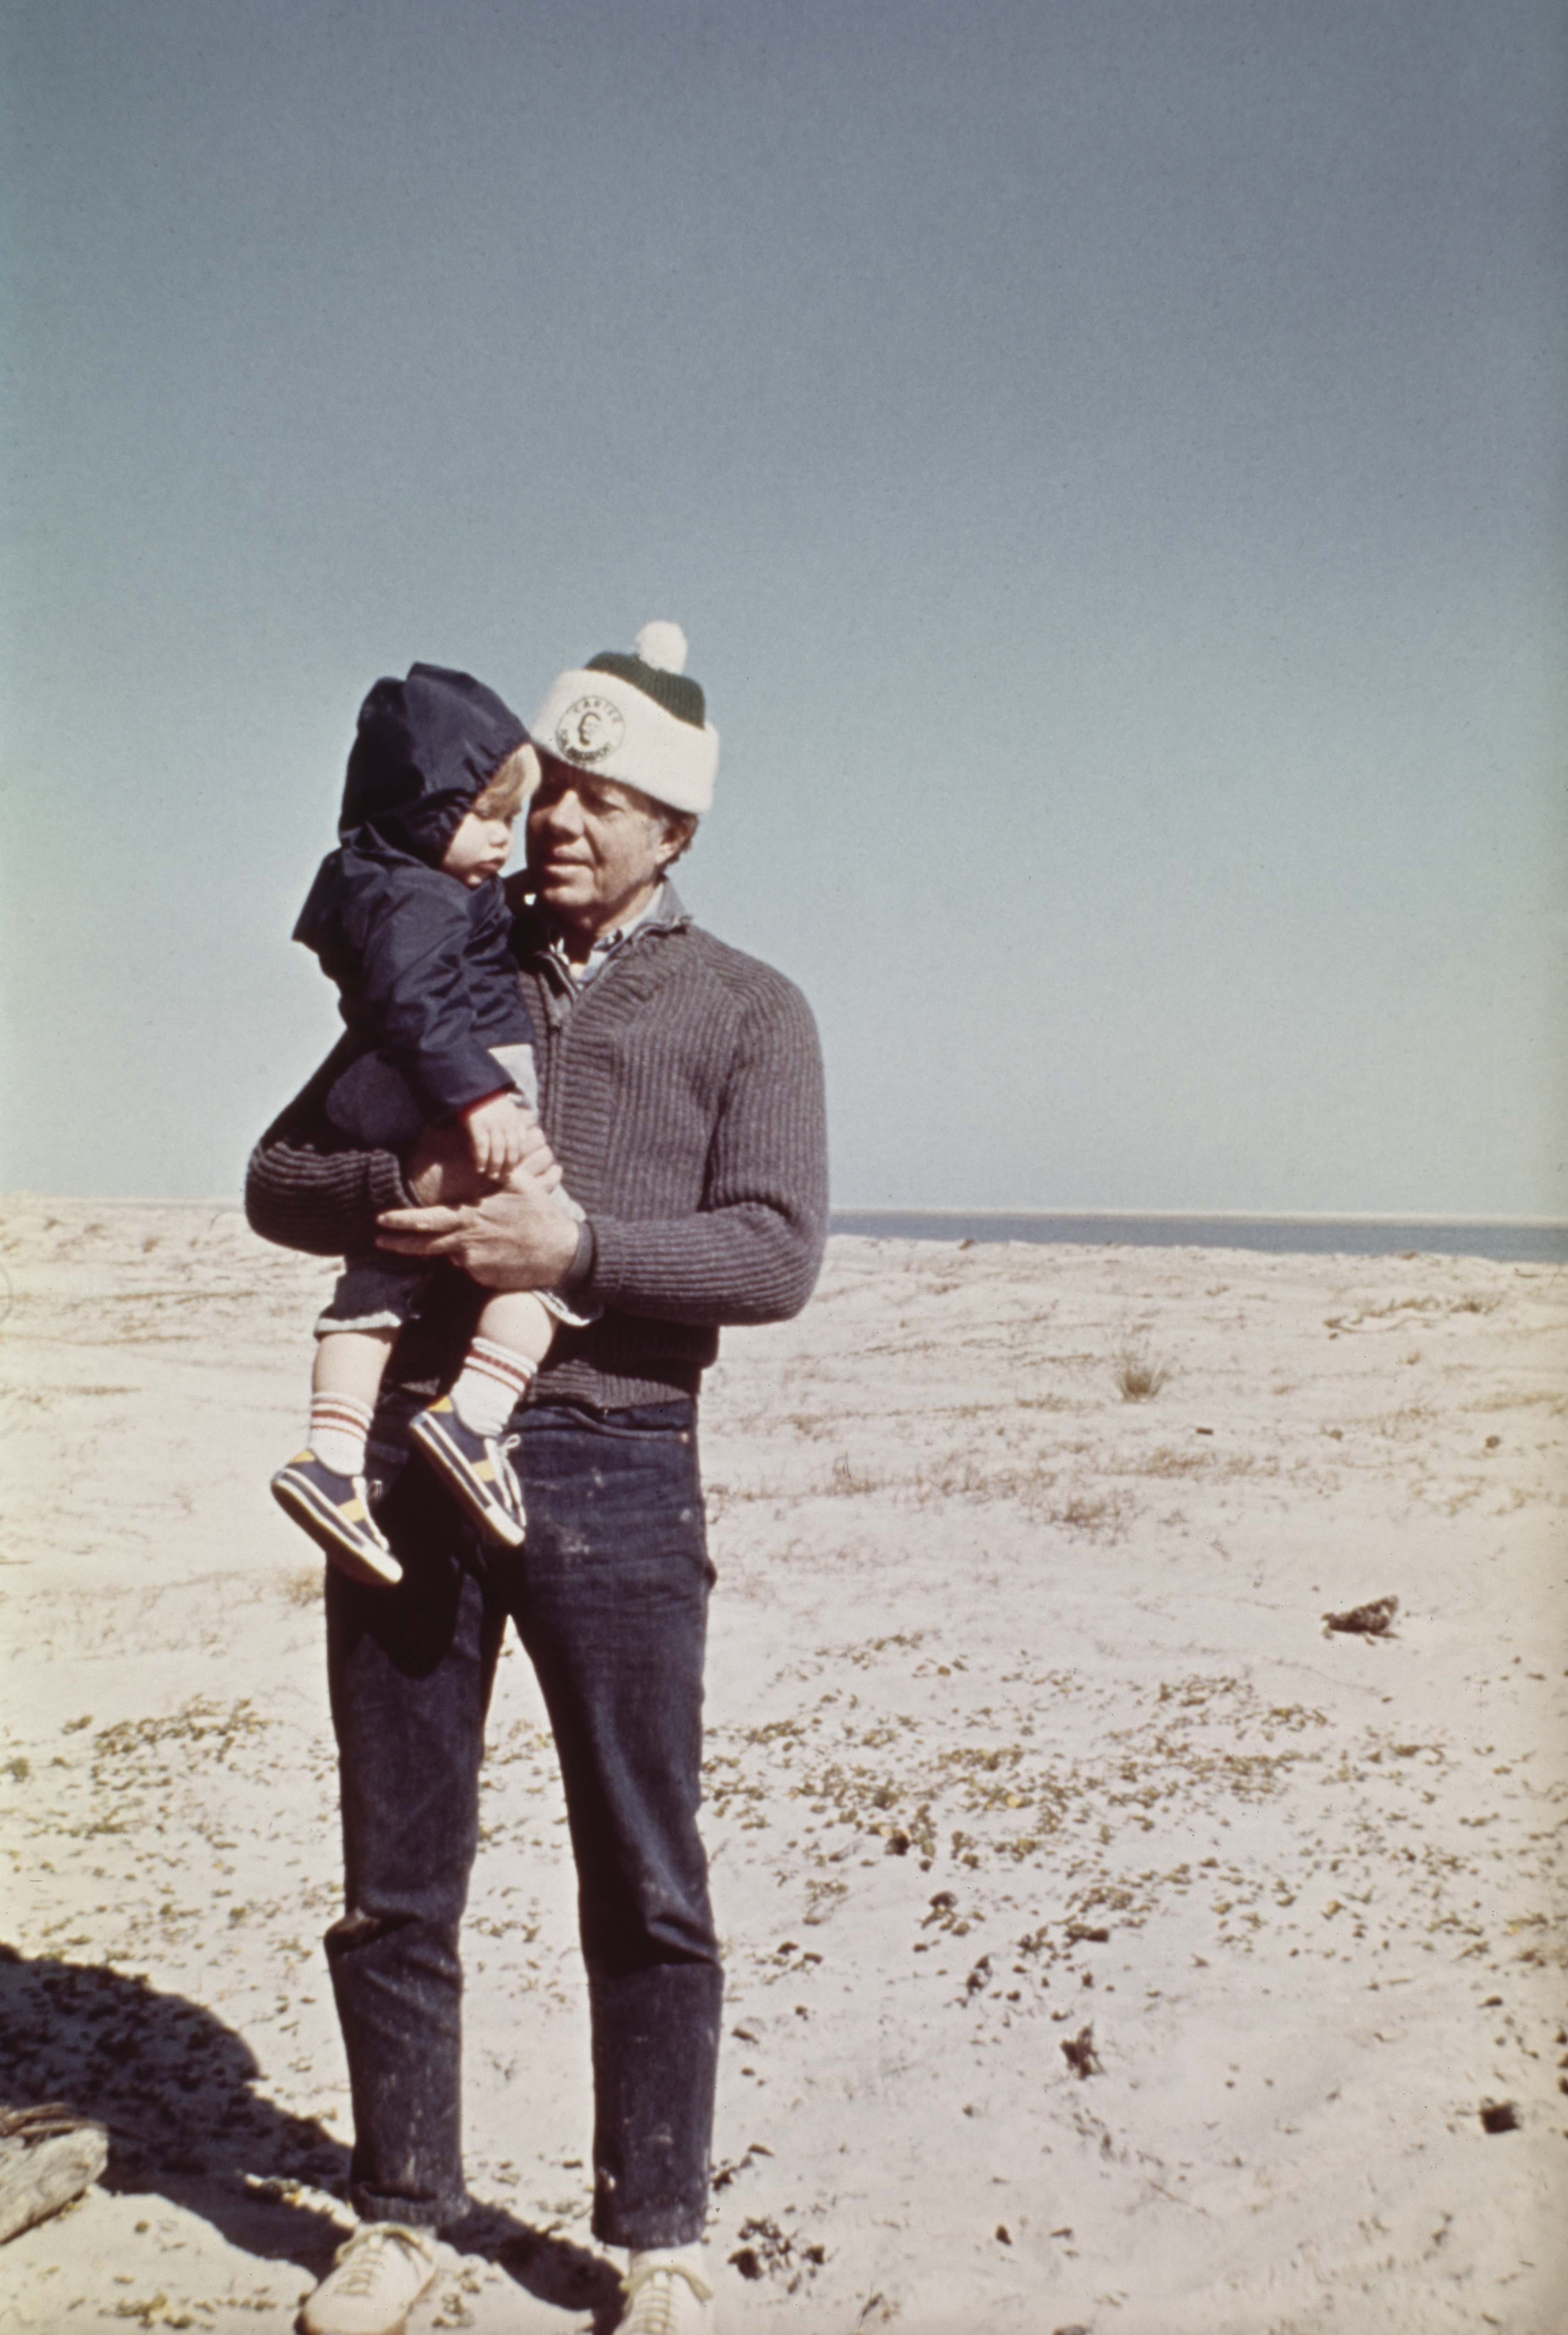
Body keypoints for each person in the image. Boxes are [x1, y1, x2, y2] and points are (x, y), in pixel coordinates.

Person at [244, 622, 829, 2335]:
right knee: (394, 1871)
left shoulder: (750, 1010)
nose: (566, 821)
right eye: (553, 788)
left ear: (680, 830)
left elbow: (777, 1250)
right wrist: (397, 1203)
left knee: (646, 1873)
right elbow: (278, 1176)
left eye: (611, 795)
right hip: (418, 1459)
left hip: (626, 1467)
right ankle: (402, 2218)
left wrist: (572, 1242)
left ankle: (658, 2241)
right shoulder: (434, 960)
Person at [271, 663, 579, 1584]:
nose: (504, 836)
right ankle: (473, 1415)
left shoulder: (401, 878)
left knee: (382, 1270)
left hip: (385, 1091)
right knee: (560, 1245)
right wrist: (478, 1097)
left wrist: (512, 893)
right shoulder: (411, 897)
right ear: (422, 808)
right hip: (426, 1084)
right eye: (483, 815)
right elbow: (418, 1002)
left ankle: (330, 1460)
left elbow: (468, 926)